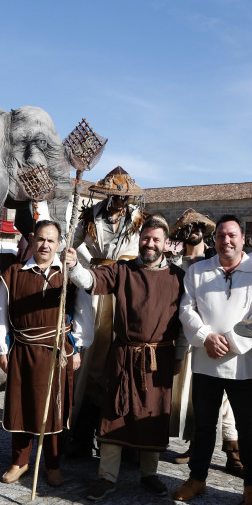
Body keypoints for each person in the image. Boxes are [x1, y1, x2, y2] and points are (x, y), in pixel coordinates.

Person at [66, 215, 185, 501]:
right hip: (123, 355)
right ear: (139, 240)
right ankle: (107, 477)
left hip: (159, 358)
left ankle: (149, 474)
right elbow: (91, 280)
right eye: (146, 238)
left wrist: (179, 357)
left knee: (153, 414)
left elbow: (183, 323)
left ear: (166, 244)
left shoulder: (179, 278)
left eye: (156, 239)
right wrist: (72, 266)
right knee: (114, 411)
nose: (150, 244)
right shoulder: (123, 270)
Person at [174, 215, 252, 505]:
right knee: (204, 425)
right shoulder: (198, 271)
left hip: (243, 363)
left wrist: (229, 340)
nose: (226, 240)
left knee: (247, 427)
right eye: (220, 235)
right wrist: (205, 336)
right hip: (206, 360)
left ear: (243, 239)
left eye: (232, 235)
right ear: (213, 239)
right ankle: (197, 478)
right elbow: (186, 309)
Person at [0, 220, 93, 486]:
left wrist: (78, 348)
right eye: (40, 239)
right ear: (31, 239)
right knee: (21, 407)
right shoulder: (12, 274)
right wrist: (1, 350)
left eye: (51, 240)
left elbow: (83, 314)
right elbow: (0, 314)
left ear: (59, 244)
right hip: (23, 350)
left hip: (58, 352)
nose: (45, 245)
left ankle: (52, 465)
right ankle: (20, 462)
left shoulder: (68, 276)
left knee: (55, 411)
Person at [67, 166, 145, 457]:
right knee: (91, 360)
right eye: (113, 196)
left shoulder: (139, 219)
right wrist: (67, 257)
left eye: (122, 197)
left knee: (123, 361)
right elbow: (70, 245)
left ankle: (122, 440)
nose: (117, 202)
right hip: (94, 287)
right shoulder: (89, 216)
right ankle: (81, 433)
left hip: (127, 288)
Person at [168, 209, 243, 476]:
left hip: (218, 338)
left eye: (199, 226)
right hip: (188, 336)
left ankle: (233, 451)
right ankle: (195, 446)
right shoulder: (174, 263)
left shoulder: (215, 260)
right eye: (189, 227)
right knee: (195, 398)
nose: (194, 230)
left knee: (226, 401)